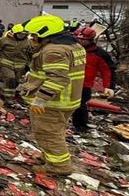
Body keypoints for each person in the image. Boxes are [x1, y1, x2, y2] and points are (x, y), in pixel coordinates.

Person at [17, 15, 86, 175]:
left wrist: (40, 99)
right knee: (56, 131)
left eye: (34, 36)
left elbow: (57, 78)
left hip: (52, 102)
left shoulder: (53, 50)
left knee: (48, 133)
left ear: (46, 34)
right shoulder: (74, 46)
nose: (32, 39)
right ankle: (50, 157)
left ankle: (58, 167)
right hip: (68, 99)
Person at [71, 27, 117, 132]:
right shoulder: (71, 50)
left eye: (83, 40)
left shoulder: (99, 54)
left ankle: (80, 126)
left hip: (85, 85)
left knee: (80, 106)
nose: (80, 41)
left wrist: (109, 87)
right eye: (78, 39)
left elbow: (108, 70)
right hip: (69, 82)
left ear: (90, 40)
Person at [0, 23, 34, 100]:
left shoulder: (29, 42)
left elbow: (31, 55)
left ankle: (4, 94)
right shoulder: (4, 40)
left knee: (16, 82)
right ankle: (8, 98)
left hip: (20, 66)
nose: (21, 35)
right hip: (5, 63)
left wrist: (30, 66)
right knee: (10, 78)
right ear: (15, 33)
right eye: (19, 34)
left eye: (23, 34)